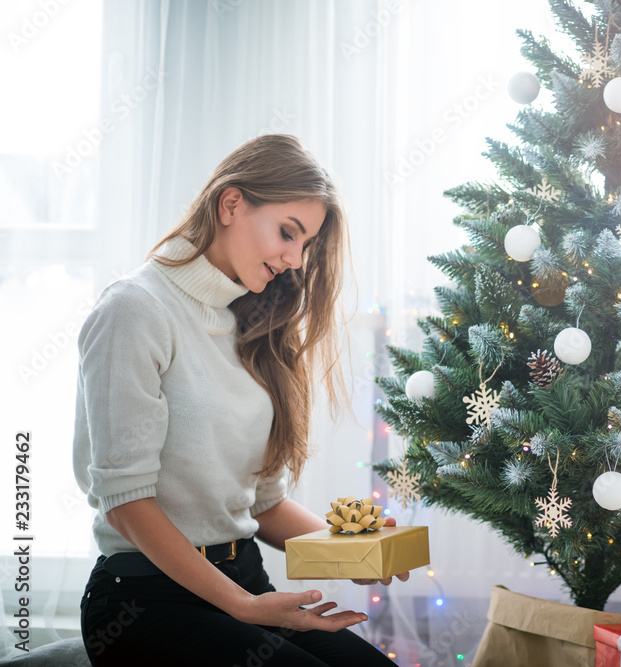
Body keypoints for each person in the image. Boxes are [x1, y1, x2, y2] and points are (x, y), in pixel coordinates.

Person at [72, 134, 403, 666]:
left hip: (244, 580)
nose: (295, 259)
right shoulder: (135, 310)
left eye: (305, 245)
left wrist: (354, 551)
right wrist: (246, 608)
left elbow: (263, 505)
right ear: (231, 204)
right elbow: (127, 504)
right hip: (146, 601)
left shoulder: (252, 325)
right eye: (287, 233)